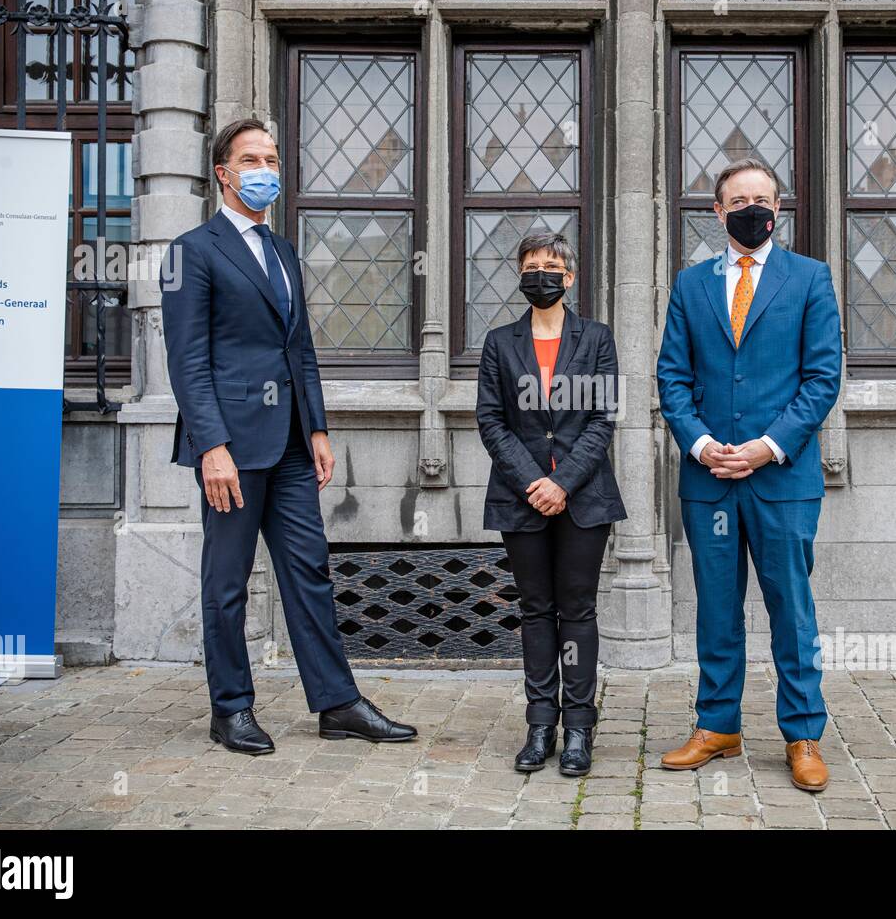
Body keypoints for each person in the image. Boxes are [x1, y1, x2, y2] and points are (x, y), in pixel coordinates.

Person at [161, 118, 416, 754]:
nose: (265, 169)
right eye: (251, 158)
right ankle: (231, 710)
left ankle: (337, 703)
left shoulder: (281, 251)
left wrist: (320, 427)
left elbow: (299, 347)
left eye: (272, 157)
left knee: (310, 573)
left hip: (292, 444)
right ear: (223, 172)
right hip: (231, 448)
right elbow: (186, 361)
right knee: (227, 583)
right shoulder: (191, 251)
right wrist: (210, 445)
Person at [655, 158, 842, 791]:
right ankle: (718, 726)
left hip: (782, 480)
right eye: (738, 200)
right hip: (709, 478)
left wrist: (766, 446)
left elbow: (822, 380)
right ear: (717, 210)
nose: (751, 209)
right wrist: (704, 445)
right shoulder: (690, 284)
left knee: (792, 610)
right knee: (716, 609)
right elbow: (671, 379)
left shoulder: (811, 279)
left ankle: (803, 734)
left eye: (762, 199)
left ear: (779, 207)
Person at [475, 232, 626, 776]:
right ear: (520, 274)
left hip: (584, 498)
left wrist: (563, 483)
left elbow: (603, 417)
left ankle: (580, 727)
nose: (543, 273)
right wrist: (535, 481)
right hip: (522, 499)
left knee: (578, 610)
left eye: (553, 265)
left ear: (570, 276)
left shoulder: (597, 338)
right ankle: (541, 723)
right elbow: (491, 420)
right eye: (532, 265)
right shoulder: (499, 343)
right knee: (536, 610)